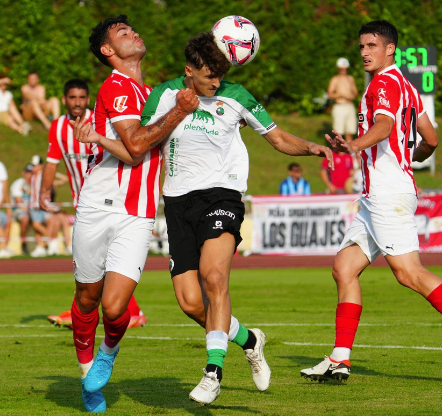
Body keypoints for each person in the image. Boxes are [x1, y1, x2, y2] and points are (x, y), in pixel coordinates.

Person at [74, 30, 334, 406]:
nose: (216, 81)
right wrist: (101, 138)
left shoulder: (237, 95)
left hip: (222, 196)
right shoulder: (163, 95)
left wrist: (310, 147)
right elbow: (139, 144)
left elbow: (277, 139)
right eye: (209, 75)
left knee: (215, 277)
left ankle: (213, 372)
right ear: (189, 72)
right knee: (191, 303)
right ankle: (249, 339)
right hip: (178, 202)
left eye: (220, 74)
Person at [301, 20, 442, 384]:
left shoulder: (385, 84)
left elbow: (385, 127)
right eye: (361, 46)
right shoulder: (407, 86)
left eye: (372, 45)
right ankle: (340, 358)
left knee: (409, 273)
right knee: (344, 267)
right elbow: (432, 139)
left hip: (388, 193)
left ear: (390, 49)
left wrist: (354, 145)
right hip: (380, 194)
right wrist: (412, 157)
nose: (364, 52)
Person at [65, 15, 206, 413]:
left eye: (133, 29)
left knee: (114, 306)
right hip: (97, 205)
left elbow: (137, 149)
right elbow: (138, 146)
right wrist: (178, 112)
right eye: (122, 33)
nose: (134, 33)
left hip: (138, 214)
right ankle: (86, 374)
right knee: (87, 298)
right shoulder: (118, 86)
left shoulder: (153, 93)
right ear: (108, 51)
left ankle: (107, 353)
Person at [40, 79, 148, 330]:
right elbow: (51, 161)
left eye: (81, 98)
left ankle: (84, 311)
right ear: (64, 99)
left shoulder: (101, 120)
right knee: (92, 262)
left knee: (106, 263)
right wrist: (44, 191)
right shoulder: (57, 127)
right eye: (72, 98)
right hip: (84, 203)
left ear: (87, 99)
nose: (77, 102)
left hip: (110, 199)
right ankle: (129, 311)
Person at [328, 57, 358, 142]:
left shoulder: (350, 78)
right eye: (341, 69)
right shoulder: (335, 79)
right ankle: (338, 154)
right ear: (338, 69)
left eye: (345, 69)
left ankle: (350, 154)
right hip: (339, 106)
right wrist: (342, 95)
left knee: (350, 132)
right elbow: (330, 94)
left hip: (349, 106)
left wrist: (352, 95)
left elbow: (355, 92)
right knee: (338, 133)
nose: (343, 70)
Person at [9, 164, 33, 255]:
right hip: (18, 210)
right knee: (25, 218)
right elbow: (18, 202)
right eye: (27, 172)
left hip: (32, 209)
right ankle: (24, 242)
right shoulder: (18, 183)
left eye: (31, 172)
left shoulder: (34, 183)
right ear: (23, 173)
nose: (29, 175)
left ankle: (45, 244)